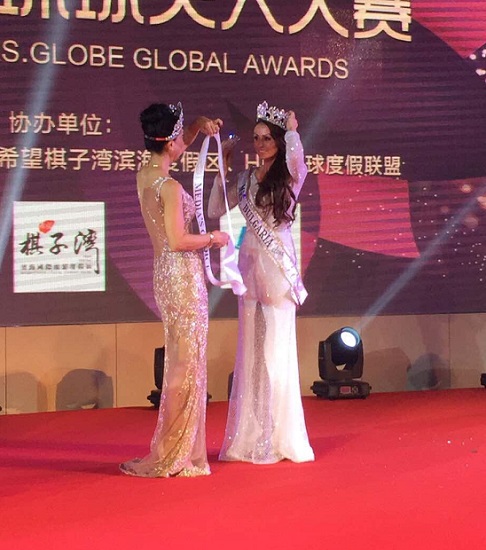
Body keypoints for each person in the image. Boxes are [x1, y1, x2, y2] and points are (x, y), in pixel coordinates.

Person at [120, 102, 229, 478]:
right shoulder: (169, 187)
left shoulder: (145, 174)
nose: (184, 142)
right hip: (182, 275)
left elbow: (177, 143)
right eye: (180, 137)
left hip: (165, 275)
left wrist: (198, 125)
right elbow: (179, 240)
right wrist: (214, 238)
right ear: (169, 143)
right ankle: (175, 452)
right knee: (187, 363)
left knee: (183, 360)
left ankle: (175, 445)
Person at [209, 101, 314, 464]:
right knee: (252, 356)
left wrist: (294, 132)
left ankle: (279, 435)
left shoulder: (290, 177)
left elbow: (298, 162)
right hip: (249, 269)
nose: (260, 144)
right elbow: (214, 210)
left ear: (279, 141)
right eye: (256, 138)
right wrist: (221, 168)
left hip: (277, 271)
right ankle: (254, 434)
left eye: (268, 138)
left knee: (275, 353)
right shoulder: (245, 180)